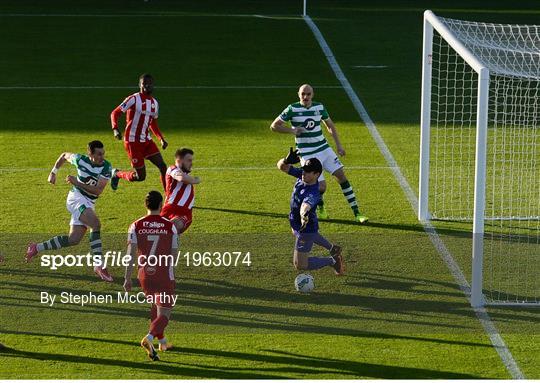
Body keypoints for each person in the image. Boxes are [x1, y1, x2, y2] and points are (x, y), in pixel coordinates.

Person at [271, 84, 368, 223]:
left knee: (341, 175)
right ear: (298, 94)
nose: (305, 97)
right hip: (307, 152)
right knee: (321, 186)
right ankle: (321, 208)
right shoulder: (292, 109)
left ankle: (357, 213)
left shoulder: (319, 107)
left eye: (308, 94)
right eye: (303, 94)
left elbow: (330, 126)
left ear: (313, 94)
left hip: (323, 148)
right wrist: (292, 131)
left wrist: (339, 145)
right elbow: (274, 126)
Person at [26, 140, 113, 282]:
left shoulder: (106, 167)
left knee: (73, 240)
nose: (102, 157)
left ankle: (36, 247)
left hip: (89, 202)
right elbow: (64, 155)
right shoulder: (80, 160)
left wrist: (77, 182)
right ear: (89, 153)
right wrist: (53, 172)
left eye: (103, 153)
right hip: (76, 198)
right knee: (95, 224)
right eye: (98, 154)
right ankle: (99, 265)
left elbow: (98, 191)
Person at [124, 191, 178, 361]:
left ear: (145, 205)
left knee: (156, 308)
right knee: (165, 314)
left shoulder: (135, 225)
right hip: (163, 273)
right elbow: (174, 254)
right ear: (161, 204)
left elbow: (130, 254)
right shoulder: (170, 226)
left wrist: (127, 278)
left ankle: (162, 342)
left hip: (145, 275)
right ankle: (148, 338)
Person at [277, 152, 344, 275]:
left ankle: (333, 261)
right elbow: (281, 167)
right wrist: (286, 160)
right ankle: (333, 248)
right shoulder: (302, 176)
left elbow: (305, 206)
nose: (304, 173)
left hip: (306, 228)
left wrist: (303, 215)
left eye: (308, 172)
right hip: (296, 222)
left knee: (300, 265)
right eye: (304, 170)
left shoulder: (313, 193)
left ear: (316, 175)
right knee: (298, 232)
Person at [110, 73, 169, 190]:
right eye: (145, 83)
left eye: (150, 83)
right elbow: (115, 113)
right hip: (132, 142)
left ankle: (168, 197)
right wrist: (115, 129)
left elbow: (152, 123)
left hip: (146, 140)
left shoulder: (154, 103)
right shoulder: (133, 99)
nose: (148, 85)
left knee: (163, 167)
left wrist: (161, 138)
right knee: (140, 176)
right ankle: (117, 174)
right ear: (140, 85)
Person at [161, 148, 200, 234]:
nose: (191, 163)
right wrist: (196, 180)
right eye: (189, 160)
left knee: (170, 230)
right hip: (169, 209)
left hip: (184, 212)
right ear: (179, 160)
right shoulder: (172, 169)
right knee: (158, 230)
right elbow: (181, 178)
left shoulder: (187, 175)